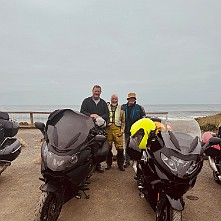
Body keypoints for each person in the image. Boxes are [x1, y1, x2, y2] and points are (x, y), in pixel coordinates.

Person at [80, 85, 109, 173]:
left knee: (99, 147)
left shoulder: (103, 103)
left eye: (98, 91)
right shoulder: (86, 101)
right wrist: (90, 115)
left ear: (100, 92)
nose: (97, 93)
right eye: (95, 91)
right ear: (92, 91)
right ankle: (88, 165)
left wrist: (99, 117)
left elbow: (107, 115)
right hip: (88, 128)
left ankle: (98, 164)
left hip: (100, 128)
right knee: (88, 146)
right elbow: (82, 112)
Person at [121, 92, 146, 168]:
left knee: (137, 146)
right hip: (127, 130)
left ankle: (138, 161)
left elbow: (143, 118)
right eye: (130, 98)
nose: (132, 100)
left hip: (137, 131)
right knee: (127, 146)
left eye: (133, 98)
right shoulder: (123, 107)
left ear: (135, 99)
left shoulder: (139, 108)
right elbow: (120, 117)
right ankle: (127, 161)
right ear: (128, 99)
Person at [105, 94, 125, 171]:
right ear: (110, 99)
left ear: (117, 100)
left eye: (115, 99)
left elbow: (123, 121)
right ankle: (108, 164)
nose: (114, 100)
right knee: (108, 148)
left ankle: (121, 165)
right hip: (108, 130)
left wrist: (122, 131)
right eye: (113, 99)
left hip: (118, 130)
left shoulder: (121, 109)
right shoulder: (106, 108)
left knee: (120, 149)